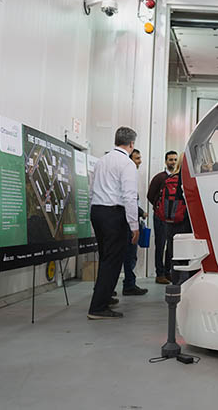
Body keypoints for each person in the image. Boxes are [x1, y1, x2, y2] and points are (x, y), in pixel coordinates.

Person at [87, 127, 139, 319]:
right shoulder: (127, 164)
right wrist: (134, 225)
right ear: (132, 144)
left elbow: (92, 189)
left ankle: (105, 296)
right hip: (113, 213)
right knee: (113, 260)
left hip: (98, 211)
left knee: (105, 257)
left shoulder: (102, 160)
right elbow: (129, 196)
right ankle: (98, 308)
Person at [161, 153, 194, 285]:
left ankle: (176, 285)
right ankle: (186, 287)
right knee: (188, 256)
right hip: (186, 222)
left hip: (171, 221)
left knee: (175, 255)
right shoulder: (189, 178)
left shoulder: (170, 179)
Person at [120, 149, 149, 296]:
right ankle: (129, 285)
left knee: (128, 256)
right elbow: (128, 201)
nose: (140, 161)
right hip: (127, 224)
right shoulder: (127, 175)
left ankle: (127, 284)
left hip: (127, 222)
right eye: (137, 158)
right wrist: (138, 215)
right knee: (129, 256)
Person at [147, 150, 177, 284]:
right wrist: (159, 208)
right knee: (160, 245)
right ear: (166, 161)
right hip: (160, 217)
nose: (173, 162)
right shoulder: (159, 177)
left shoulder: (178, 176)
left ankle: (167, 271)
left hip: (173, 217)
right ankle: (159, 274)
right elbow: (150, 195)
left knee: (171, 246)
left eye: (175, 160)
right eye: (171, 160)